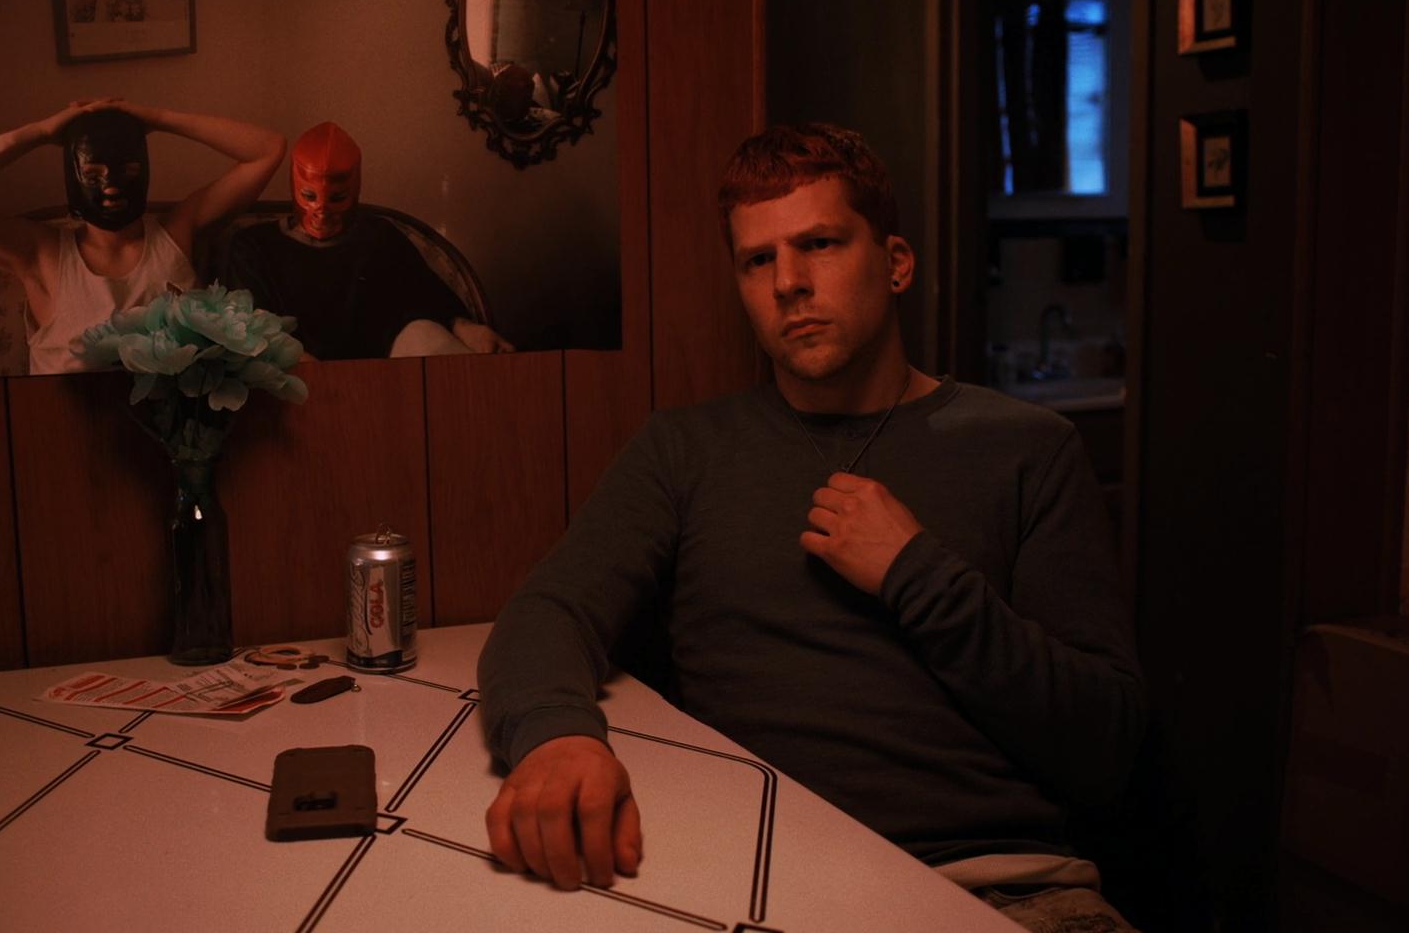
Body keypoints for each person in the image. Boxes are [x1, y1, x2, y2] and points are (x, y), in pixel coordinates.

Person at [477, 123, 1145, 931]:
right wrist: (557, 739)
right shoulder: (685, 449)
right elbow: (550, 610)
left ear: (895, 262)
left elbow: (1107, 749)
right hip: (762, 886)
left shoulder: (1027, 449)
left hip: (1004, 889)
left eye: (819, 244)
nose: (788, 283)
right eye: (757, 261)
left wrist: (919, 576)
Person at [0, 98, 285, 375]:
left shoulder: (177, 232)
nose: (111, 187)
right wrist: (39, 133)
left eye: (127, 171)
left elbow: (268, 149)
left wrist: (156, 119)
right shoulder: (43, 255)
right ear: (72, 177)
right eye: (93, 175)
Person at [209, 121, 512, 359]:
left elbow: (426, 296)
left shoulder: (379, 237)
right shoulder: (254, 247)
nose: (321, 210)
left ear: (355, 190)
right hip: (295, 380)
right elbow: (251, 326)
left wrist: (465, 327)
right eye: (309, 196)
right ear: (294, 186)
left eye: (336, 198)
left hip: (390, 375)